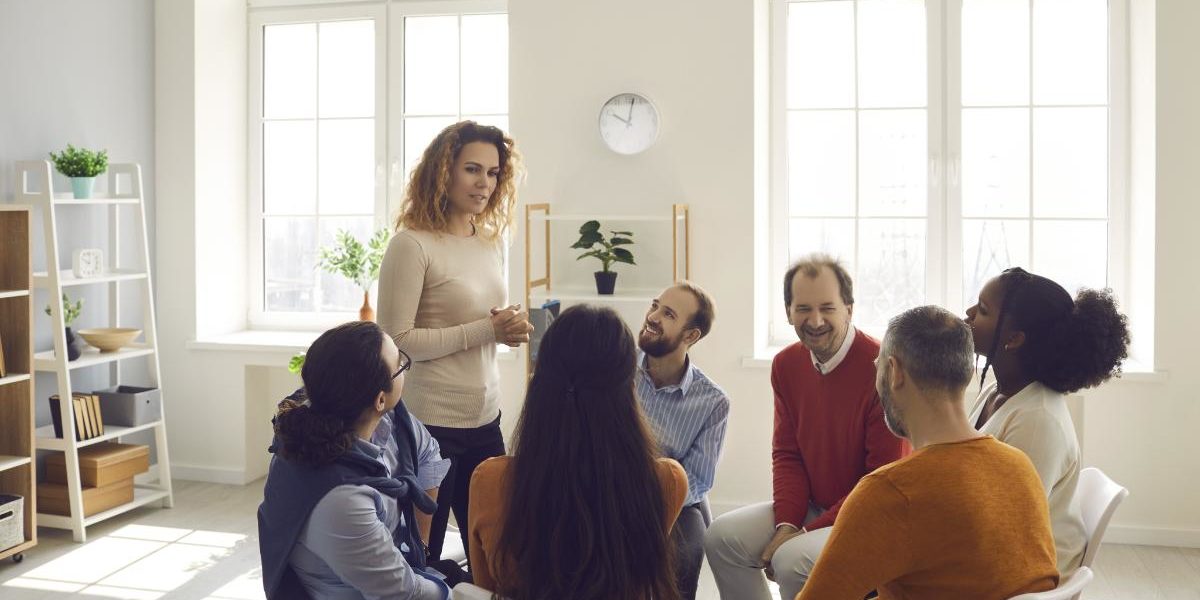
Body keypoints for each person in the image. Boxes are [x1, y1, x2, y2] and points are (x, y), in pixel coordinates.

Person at [798, 305, 1059, 600]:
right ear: (967, 374)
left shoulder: (888, 493)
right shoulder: (1019, 466)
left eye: (878, 366)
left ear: (895, 372)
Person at [705, 254, 909, 600]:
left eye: (827, 308)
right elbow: (788, 454)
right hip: (817, 506)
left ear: (849, 308)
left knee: (790, 559)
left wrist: (803, 532)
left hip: (872, 514)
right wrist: (787, 524)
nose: (815, 321)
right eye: (803, 308)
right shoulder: (786, 364)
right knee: (721, 538)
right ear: (788, 312)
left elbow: (880, 481)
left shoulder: (881, 368)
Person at [377, 121, 533, 563]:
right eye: (472, 169)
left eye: (494, 172)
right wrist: (488, 331)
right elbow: (396, 343)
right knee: (420, 556)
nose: (485, 182)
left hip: (485, 419)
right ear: (443, 171)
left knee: (494, 553)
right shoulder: (411, 245)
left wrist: (508, 330)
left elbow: (479, 323)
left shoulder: (491, 241)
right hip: (430, 426)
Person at [467, 304, 687, 600]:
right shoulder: (666, 480)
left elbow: (486, 590)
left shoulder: (490, 479)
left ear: (539, 384)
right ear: (631, 389)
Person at [258, 321, 453, 600]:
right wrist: (457, 592)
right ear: (380, 399)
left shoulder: (392, 422)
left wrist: (419, 547)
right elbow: (404, 594)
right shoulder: (340, 499)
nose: (404, 369)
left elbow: (429, 455)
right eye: (399, 365)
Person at [965, 267, 1131, 573]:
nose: (969, 312)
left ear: (1014, 339)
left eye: (984, 310)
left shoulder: (1037, 421)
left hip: (1028, 573)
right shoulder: (996, 391)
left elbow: (1008, 527)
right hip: (995, 553)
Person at [635, 281, 729, 600]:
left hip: (670, 495)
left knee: (689, 543)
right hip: (608, 485)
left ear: (691, 336)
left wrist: (651, 500)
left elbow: (699, 479)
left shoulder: (714, 402)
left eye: (669, 314)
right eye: (655, 306)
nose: (653, 316)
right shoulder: (615, 369)